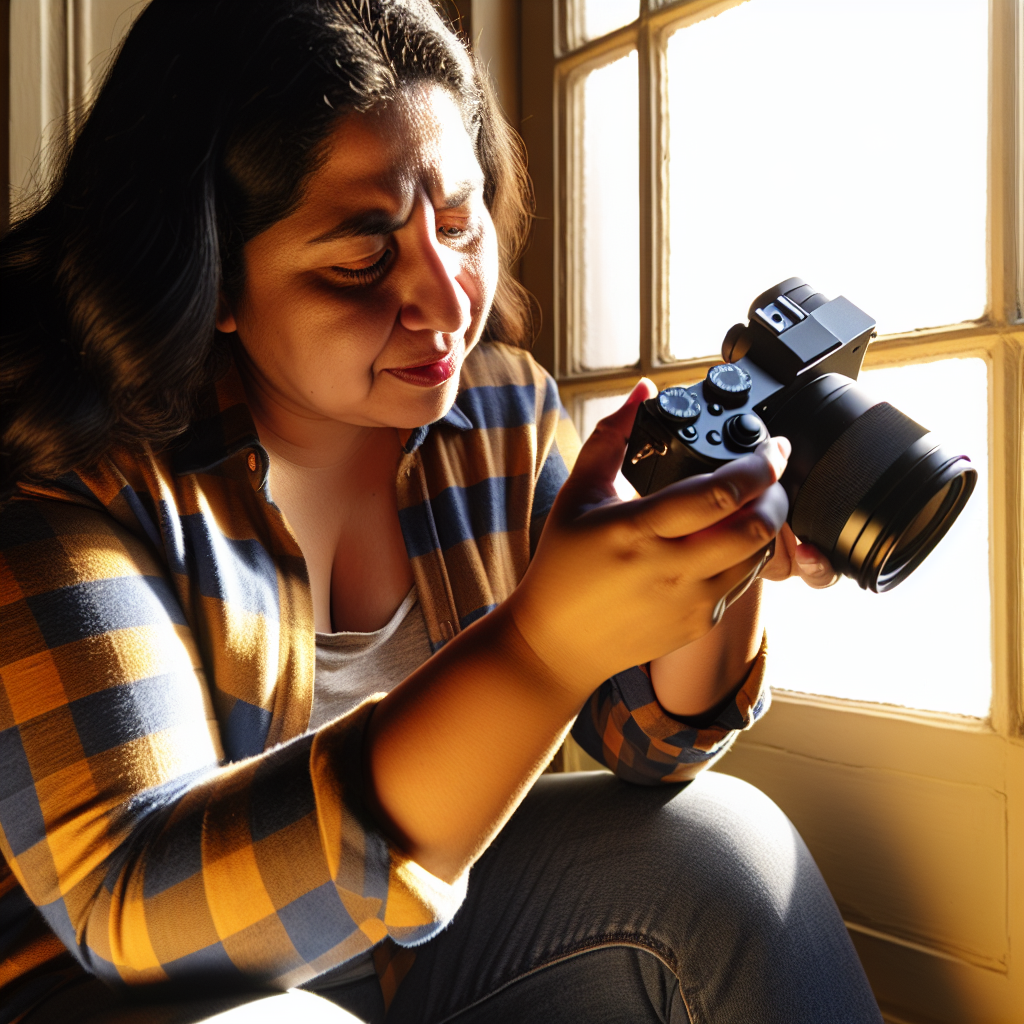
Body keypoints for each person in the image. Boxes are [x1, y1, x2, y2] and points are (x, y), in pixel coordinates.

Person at [0, 1, 883, 1021]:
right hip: (128, 993)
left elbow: (646, 737)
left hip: (414, 951)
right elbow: (137, 910)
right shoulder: (61, 476)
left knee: (724, 850)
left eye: (457, 223)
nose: (448, 301)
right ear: (209, 276)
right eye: (362, 259)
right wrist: (538, 648)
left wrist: (714, 571)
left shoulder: (496, 409)